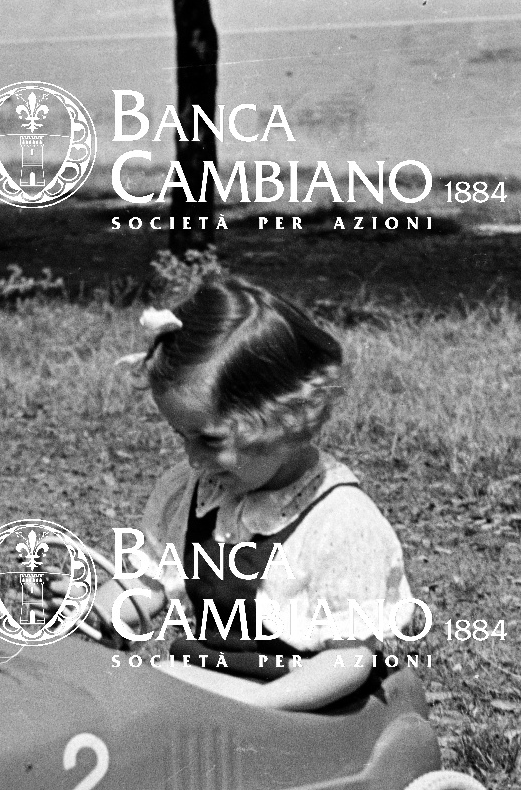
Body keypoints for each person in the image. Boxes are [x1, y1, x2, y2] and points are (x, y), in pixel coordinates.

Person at [79, 278, 419, 711]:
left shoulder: (339, 521)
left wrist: (259, 704)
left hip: (300, 704)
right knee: (125, 693)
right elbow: (149, 585)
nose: (193, 459)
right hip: (212, 683)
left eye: (210, 440)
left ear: (285, 418)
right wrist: (92, 610)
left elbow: (349, 659)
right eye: (182, 437)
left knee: (153, 700)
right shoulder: (191, 493)